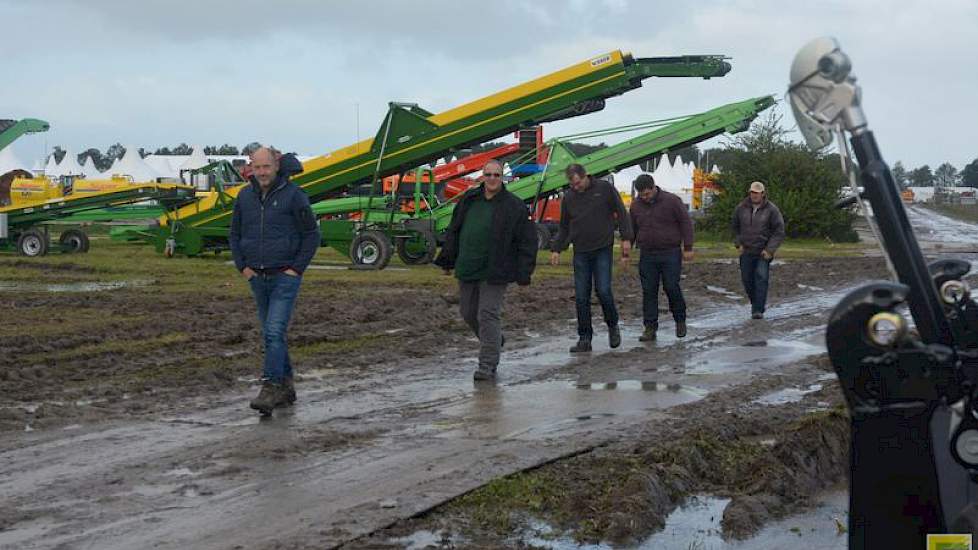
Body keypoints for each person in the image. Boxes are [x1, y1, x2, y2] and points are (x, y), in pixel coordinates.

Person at [230, 147, 319, 415]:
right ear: (251, 168)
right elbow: (234, 233)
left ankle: (270, 386)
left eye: (266, 167)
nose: (262, 173)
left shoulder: (294, 196)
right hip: (257, 277)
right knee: (273, 333)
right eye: (257, 168)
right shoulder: (245, 197)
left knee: (272, 332)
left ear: (277, 166)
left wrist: (296, 269)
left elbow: (311, 235)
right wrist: (243, 266)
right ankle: (286, 386)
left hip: (284, 277)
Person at [434, 159, 537, 380]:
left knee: (487, 314)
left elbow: (527, 241)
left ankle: (487, 365)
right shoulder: (469, 199)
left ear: (503, 177)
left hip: (496, 269)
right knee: (468, 313)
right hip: (468, 265)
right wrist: (447, 259)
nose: (492, 179)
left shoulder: (514, 205)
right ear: (482, 176)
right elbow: (455, 229)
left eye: (496, 175)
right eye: (488, 175)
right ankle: (495, 341)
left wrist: (524, 272)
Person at [550, 163, 633, 352]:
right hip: (581, 250)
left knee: (603, 290)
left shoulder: (604, 189)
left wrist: (626, 238)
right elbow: (564, 226)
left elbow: (621, 212)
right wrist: (556, 248)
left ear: (585, 176)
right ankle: (584, 338)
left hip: (603, 247)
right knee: (581, 296)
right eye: (572, 185)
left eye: (578, 183)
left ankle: (613, 325)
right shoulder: (569, 197)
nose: (576, 188)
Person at [629, 174, 694, 341]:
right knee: (649, 290)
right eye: (641, 195)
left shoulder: (672, 201)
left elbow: (685, 222)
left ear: (653, 188)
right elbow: (633, 228)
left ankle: (680, 320)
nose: (645, 197)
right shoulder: (636, 206)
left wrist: (688, 247)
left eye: (647, 194)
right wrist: (627, 247)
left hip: (670, 252)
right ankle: (650, 327)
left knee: (671, 286)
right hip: (647, 254)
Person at [732, 181, 786, 319]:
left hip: (763, 251)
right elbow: (735, 227)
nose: (754, 195)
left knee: (761, 278)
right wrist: (738, 244)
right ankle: (755, 303)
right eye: (752, 192)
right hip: (746, 250)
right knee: (747, 279)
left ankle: (758, 310)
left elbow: (779, 231)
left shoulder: (772, 210)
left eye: (757, 193)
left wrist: (770, 249)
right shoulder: (741, 208)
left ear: (763, 194)